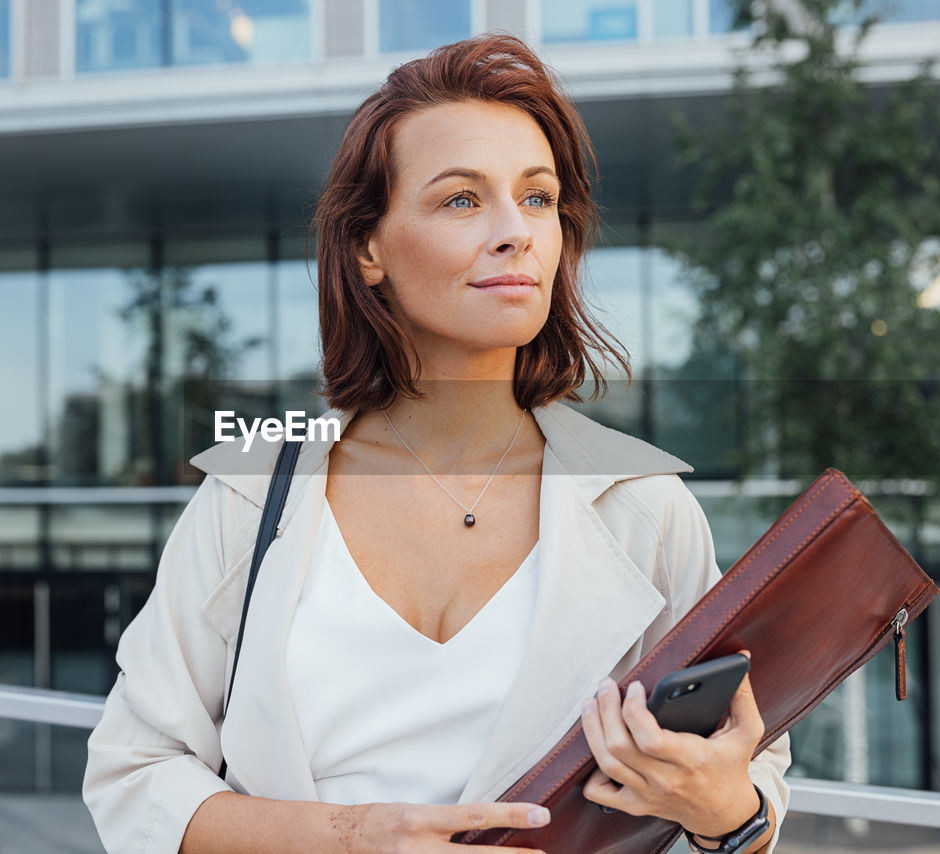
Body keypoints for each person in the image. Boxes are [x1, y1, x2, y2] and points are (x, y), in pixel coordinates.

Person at [83, 33, 790, 854]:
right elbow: (133, 777)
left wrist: (727, 813)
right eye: (461, 200)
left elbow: (754, 786)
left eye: (537, 198)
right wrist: (353, 839)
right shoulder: (252, 490)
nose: (515, 232)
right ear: (367, 248)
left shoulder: (642, 503)